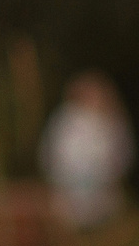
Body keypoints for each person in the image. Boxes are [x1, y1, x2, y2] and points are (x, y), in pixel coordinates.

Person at [43, 72, 134, 232]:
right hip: (71, 196)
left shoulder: (113, 120)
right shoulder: (67, 120)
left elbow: (123, 155)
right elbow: (54, 156)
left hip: (105, 197)